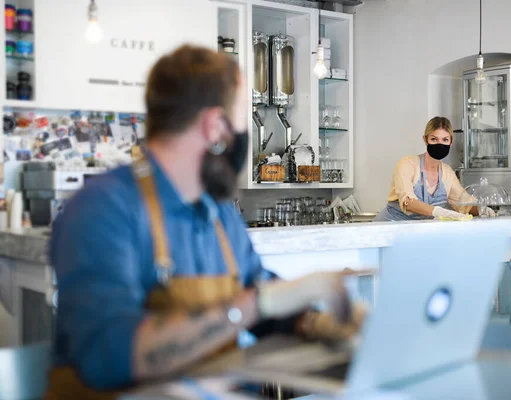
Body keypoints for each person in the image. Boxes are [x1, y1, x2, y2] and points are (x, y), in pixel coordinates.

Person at [45, 46, 363, 399]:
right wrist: (258, 302)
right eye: (243, 120)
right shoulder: (103, 209)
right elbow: (109, 357)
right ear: (215, 127)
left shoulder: (219, 212)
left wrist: (318, 323)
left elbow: (259, 297)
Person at [374, 116, 495, 222]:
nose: (439, 144)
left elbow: (464, 205)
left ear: (451, 142)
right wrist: (439, 212)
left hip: (421, 231)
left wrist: (481, 210)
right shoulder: (407, 164)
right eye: (434, 139)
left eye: (445, 140)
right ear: (425, 139)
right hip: (390, 227)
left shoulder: (447, 173)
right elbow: (408, 202)